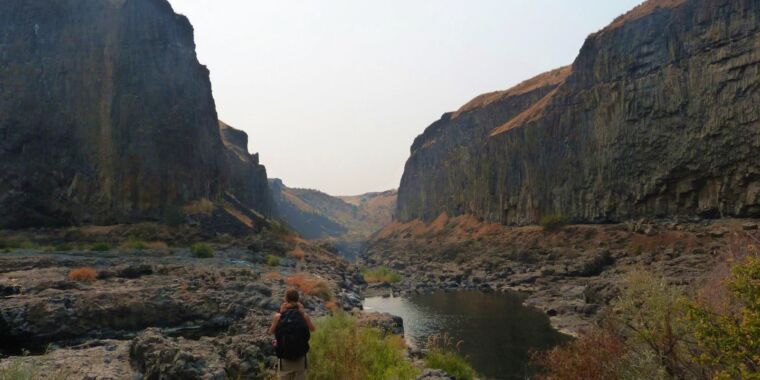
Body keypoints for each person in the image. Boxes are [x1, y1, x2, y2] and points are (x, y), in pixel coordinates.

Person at [268, 288, 316, 380]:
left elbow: (271, 332)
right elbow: (313, 329)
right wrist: (304, 313)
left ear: (285, 299)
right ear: (298, 300)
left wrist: (280, 312)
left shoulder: (278, 316)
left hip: (285, 360)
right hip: (300, 360)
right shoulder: (303, 316)